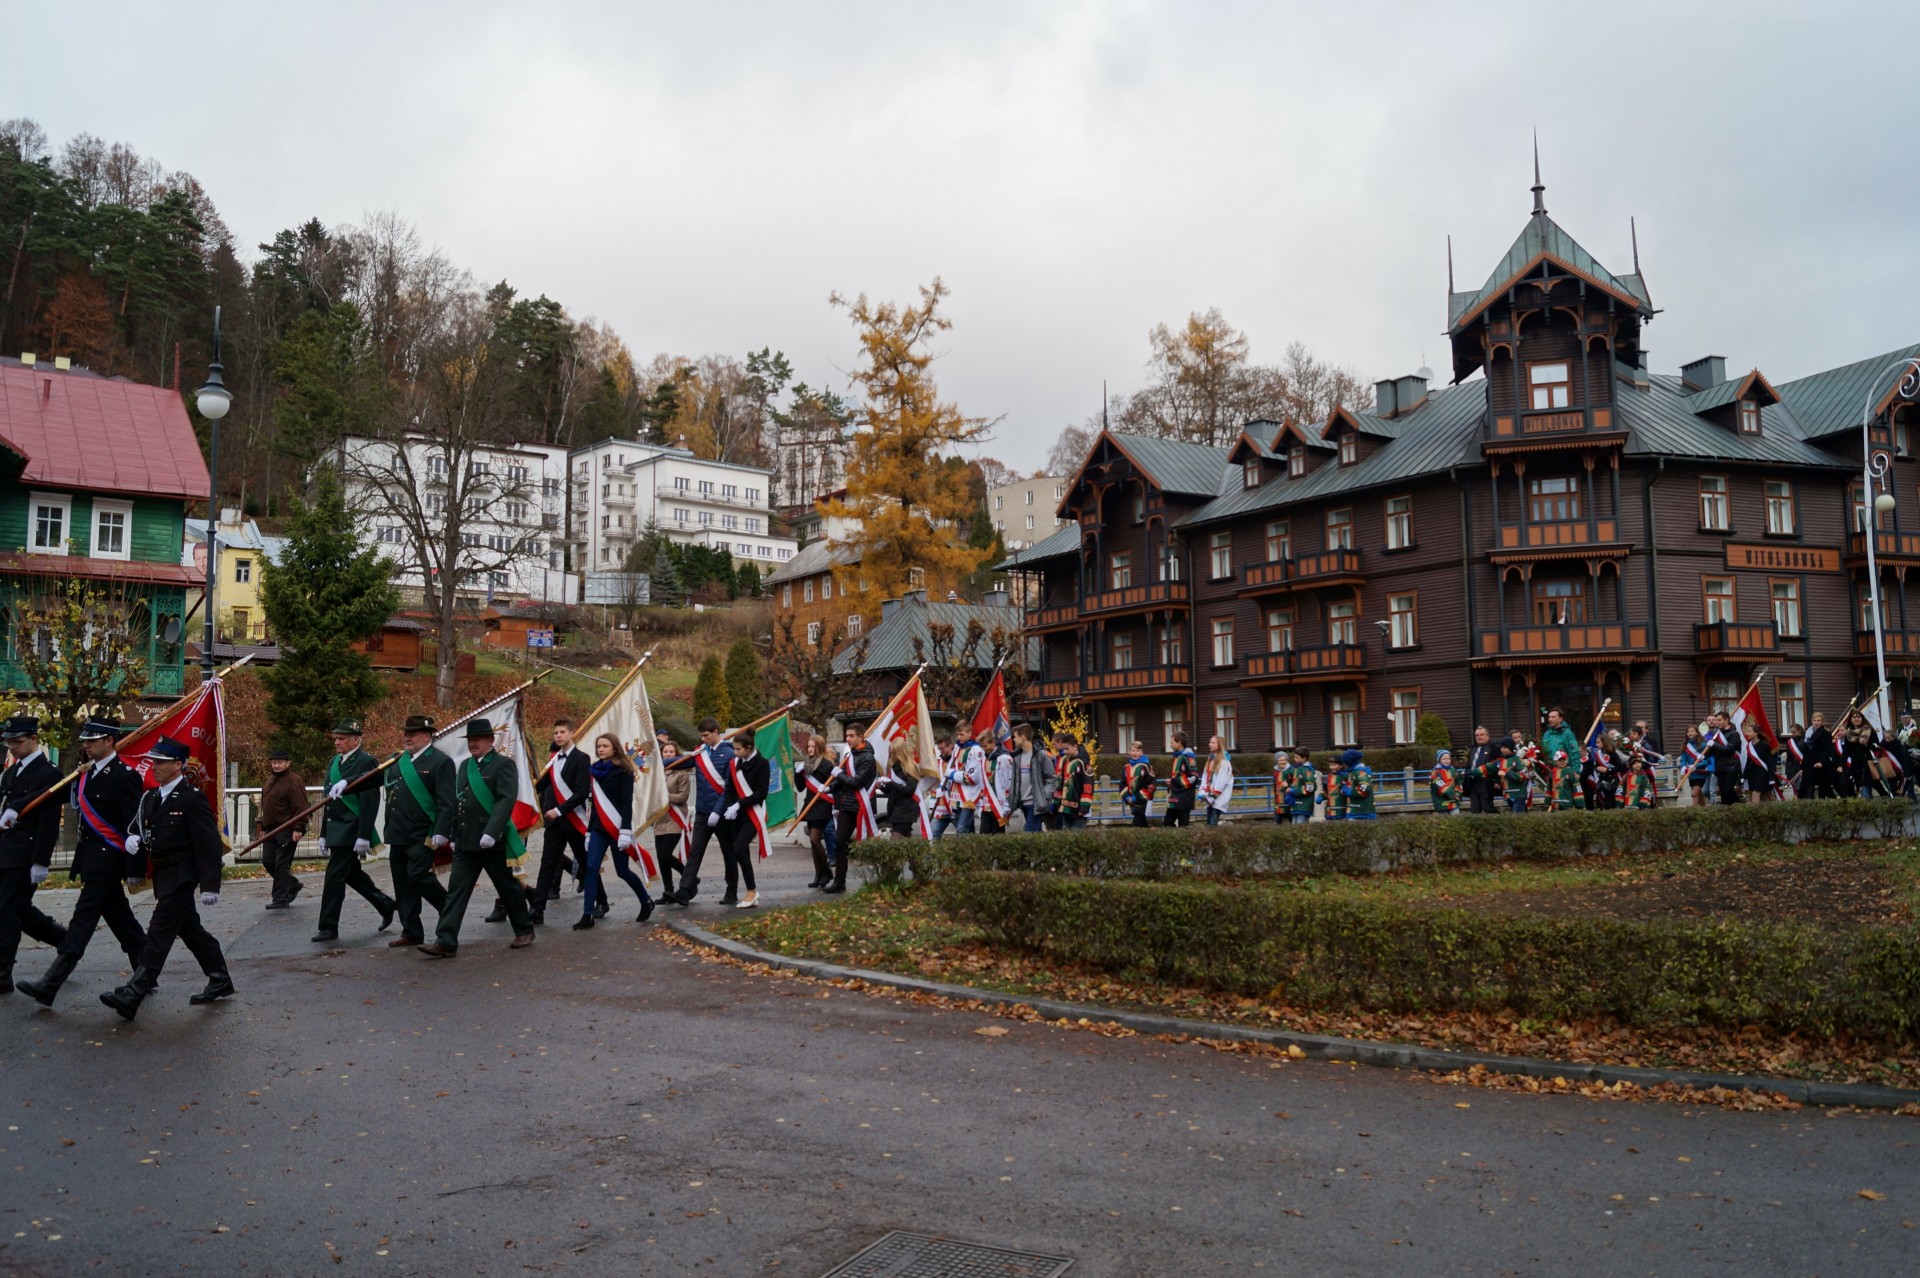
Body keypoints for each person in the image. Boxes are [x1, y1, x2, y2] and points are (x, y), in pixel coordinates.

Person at [99, 737, 232, 1019]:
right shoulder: (150, 798)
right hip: (163, 875)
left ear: (178, 765)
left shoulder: (191, 798)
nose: (155, 766)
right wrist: (134, 841)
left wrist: (210, 885)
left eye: (161, 762)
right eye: (153, 761)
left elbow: (208, 844)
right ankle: (219, 977)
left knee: (158, 933)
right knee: (190, 930)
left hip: (183, 875)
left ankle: (133, 993)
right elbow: (139, 828)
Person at [17, 719, 145, 1008]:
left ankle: (50, 984)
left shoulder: (124, 776)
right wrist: (17, 807)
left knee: (81, 922)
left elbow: (134, 825)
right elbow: (53, 796)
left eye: (93, 740)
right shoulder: (85, 773)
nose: (86, 744)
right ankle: (146, 974)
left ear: (109, 741)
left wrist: (135, 868)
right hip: (90, 860)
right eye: (85, 740)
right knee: (123, 923)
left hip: (108, 861)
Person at [419, 718, 535, 957]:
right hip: (466, 841)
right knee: (456, 891)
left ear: (491, 740)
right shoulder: (465, 767)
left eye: (478, 739)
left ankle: (524, 929)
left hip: (491, 842)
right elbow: (458, 801)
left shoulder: (503, 765)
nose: (473, 743)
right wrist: (452, 834)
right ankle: (446, 940)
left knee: (507, 887)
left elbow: (505, 800)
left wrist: (492, 832)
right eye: (470, 740)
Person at [312, 719, 396, 944]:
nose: (337, 742)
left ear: (356, 740)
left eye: (342, 739)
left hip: (351, 828)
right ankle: (385, 904)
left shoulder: (366, 761)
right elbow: (330, 800)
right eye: (336, 738)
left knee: (334, 876)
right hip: (336, 827)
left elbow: (369, 800)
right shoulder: (334, 762)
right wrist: (324, 832)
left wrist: (363, 835)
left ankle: (328, 926)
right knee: (351, 874)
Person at [0, 716, 68, 995]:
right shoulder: (10, 773)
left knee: (5, 911)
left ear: (33, 739)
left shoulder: (48, 774)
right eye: (9, 742)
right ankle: (64, 940)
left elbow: (49, 822)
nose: (12, 747)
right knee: (19, 909)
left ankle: (3, 973)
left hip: (25, 855)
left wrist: (41, 860)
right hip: (6, 851)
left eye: (17, 742)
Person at [381, 714, 455, 949]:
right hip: (398, 832)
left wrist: (442, 830)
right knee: (402, 883)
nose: (407, 738)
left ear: (427, 735)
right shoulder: (398, 760)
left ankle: (450, 910)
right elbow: (373, 779)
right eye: (406, 734)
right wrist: (347, 784)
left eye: (412, 734)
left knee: (418, 875)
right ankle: (411, 930)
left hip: (422, 832)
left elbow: (446, 801)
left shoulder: (440, 762)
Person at [575, 731, 653, 928]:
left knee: (622, 871)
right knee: (591, 869)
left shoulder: (624, 771)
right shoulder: (594, 771)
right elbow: (594, 805)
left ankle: (646, 900)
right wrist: (589, 831)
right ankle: (587, 914)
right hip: (598, 829)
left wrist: (625, 831)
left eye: (605, 746)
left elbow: (627, 804)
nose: (601, 749)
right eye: (598, 746)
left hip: (617, 828)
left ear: (615, 748)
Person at [666, 718, 735, 906]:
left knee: (728, 852)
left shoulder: (729, 754)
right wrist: (656, 763)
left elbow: (729, 789)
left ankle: (731, 890)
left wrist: (718, 811)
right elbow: (678, 762)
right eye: (701, 736)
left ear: (715, 732)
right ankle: (685, 890)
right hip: (703, 812)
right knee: (695, 852)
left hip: (722, 814)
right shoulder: (700, 753)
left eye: (706, 735)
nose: (703, 739)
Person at [534, 720, 592, 920]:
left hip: (573, 820)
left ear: (572, 733)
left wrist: (559, 810)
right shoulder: (553, 760)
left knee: (585, 863)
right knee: (547, 863)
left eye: (562, 732)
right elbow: (541, 785)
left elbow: (582, 792)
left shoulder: (582, 758)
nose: (558, 735)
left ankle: (601, 899)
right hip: (555, 823)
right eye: (556, 733)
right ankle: (537, 908)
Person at [825, 723, 876, 894]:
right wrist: (829, 787)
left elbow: (855, 782)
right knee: (840, 843)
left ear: (861, 737)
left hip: (862, 806)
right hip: (847, 805)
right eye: (847, 736)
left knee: (868, 845)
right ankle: (839, 882)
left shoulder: (868, 758)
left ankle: (879, 878)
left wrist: (838, 774)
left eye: (851, 736)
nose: (848, 739)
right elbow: (843, 780)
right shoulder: (849, 755)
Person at [720, 727, 767, 909]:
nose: (735, 752)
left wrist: (739, 804)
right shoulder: (735, 764)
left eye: (738, 749)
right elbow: (729, 789)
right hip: (736, 814)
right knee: (740, 851)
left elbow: (761, 793)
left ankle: (752, 890)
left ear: (748, 748)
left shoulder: (762, 764)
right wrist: (728, 808)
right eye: (734, 749)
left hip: (753, 813)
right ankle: (750, 891)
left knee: (739, 849)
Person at [258, 748, 309, 909]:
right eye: (274, 762)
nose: (276, 765)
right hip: (270, 830)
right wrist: (262, 825)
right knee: (268, 860)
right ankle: (292, 885)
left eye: (279, 762)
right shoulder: (270, 781)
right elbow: (265, 805)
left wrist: (298, 828)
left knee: (281, 864)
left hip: (287, 829)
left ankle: (280, 899)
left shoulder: (294, 781)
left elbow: (300, 807)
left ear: (288, 763)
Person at [795, 735, 836, 887]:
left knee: (814, 838)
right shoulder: (807, 764)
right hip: (811, 805)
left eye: (813, 746)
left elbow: (834, 785)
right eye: (809, 746)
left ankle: (826, 872)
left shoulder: (827, 765)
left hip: (823, 805)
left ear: (820, 747)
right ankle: (818, 874)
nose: (810, 749)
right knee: (814, 843)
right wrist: (798, 773)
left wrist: (827, 788)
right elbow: (800, 787)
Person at [654, 740, 693, 896]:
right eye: (665, 752)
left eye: (671, 752)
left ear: (676, 754)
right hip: (659, 818)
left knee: (665, 854)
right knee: (661, 858)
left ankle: (689, 876)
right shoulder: (657, 772)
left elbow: (683, 796)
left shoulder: (682, 773)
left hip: (675, 817)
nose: (668, 754)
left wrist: (665, 796)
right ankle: (668, 891)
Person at [1008, 724, 1055, 833]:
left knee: (1028, 833)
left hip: (1036, 803)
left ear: (1023, 737)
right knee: (1036, 833)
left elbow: (1051, 778)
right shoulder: (1017, 756)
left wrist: (1044, 796)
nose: (1013, 740)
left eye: (1015, 736)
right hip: (1023, 803)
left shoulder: (1041, 755)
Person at [947, 723, 986, 836]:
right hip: (957, 794)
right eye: (957, 734)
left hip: (969, 795)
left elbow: (972, 778)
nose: (958, 737)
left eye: (961, 734)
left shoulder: (976, 750)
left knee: (961, 828)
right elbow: (949, 768)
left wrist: (953, 775)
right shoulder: (957, 748)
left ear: (970, 733)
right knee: (968, 828)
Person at [1840, 707, 1888, 798]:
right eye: (1854, 717)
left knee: (1867, 785)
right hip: (1856, 765)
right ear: (1851, 720)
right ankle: (1885, 798)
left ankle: (1873, 802)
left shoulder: (1869, 730)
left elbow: (1877, 746)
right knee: (1868, 784)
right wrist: (1841, 765)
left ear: (1862, 718)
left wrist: (1867, 744)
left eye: (1859, 717)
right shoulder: (1848, 734)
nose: (1857, 719)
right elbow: (1846, 751)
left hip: (1868, 763)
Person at [1053, 734, 1092, 830]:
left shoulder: (1083, 762)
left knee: (1078, 836)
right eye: (1064, 749)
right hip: (1065, 808)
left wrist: (1084, 807)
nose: (1065, 752)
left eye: (1067, 749)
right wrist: (1057, 801)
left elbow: (1088, 785)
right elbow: (1060, 782)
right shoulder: (1064, 760)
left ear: (1075, 746)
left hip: (1078, 809)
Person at [1802, 712, 1843, 800]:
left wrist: (1821, 762)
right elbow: (1806, 750)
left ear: (1822, 722)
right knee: (1809, 787)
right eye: (1814, 720)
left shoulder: (1826, 734)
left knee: (1824, 787)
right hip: (1809, 763)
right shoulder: (1808, 733)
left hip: (1821, 763)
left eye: (1818, 721)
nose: (1816, 723)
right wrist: (1802, 765)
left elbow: (1827, 750)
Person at [1706, 713, 1744, 805]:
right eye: (1716, 720)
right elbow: (1714, 750)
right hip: (1720, 766)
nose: (1717, 722)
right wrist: (1704, 755)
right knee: (1723, 791)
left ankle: (1736, 805)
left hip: (1731, 765)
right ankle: (1728, 808)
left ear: (1726, 720)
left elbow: (1729, 750)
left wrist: (1714, 744)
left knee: (1728, 789)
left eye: (1719, 720)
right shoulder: (1717, 734)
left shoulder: (1734, 734)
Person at [981, 733, 1013, 835]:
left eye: (985, 746)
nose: (983, 749)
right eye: (982, 746)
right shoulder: (984, 759)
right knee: (983, 837)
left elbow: (1009, 782)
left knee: (998, 837)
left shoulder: (1004, 758)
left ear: (993, 743)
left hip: (999, 805)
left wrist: (1008, 805)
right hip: (986, 805)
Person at [881, 757, 922, 837]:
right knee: (904, 839)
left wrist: (891, 783)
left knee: (896, 839)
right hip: (894, 808)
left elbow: (909, 790)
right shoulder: (892, 768)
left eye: (893, 753)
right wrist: (882, 786)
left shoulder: (910, 768)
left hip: (906, 809)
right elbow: (891, 790)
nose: (890, 755)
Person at [1164, 732, 1198, 827]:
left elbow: (1193, 777)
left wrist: (1173, 781)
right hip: (1174, 797)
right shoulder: (1177, 757)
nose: (1170, 745)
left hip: (1184, 798)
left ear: (1179, 743)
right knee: (1167, 823)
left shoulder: (1189, 757)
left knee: (1183, 825)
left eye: (1172, 742)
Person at [1200, 735, 1234, 826]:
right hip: (1210, 795)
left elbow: (1222, 780)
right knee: (1209, 822)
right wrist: (1203, 790)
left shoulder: (1224, 762)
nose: (1209, 744)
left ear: (1219, 746)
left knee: (1212, 823)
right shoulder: (1210, 760)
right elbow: (1205, 776)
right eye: (1210, 742)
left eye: (1213, 743)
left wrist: (1214, 793)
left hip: (1218, 796)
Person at [1464, 726, 1498, 814]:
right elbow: (1469, 764)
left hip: (1486, 782)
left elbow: (1497, 765)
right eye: (1477, 735)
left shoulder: (1494, 748)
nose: (1479, 737)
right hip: (1473, 783)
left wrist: (1496, 781)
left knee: (1487, 807)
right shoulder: (1473, 749)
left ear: (1487, 736)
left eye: (1481, 735)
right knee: (1474, 809)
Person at [1741, 723, 1778, 803]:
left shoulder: (1764, 745)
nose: (1747, 733)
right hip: (1752, 774)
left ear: (1756, 733)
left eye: (1749, 731)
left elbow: (1770, 762)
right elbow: (1748, 762)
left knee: (1756, 793)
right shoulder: (1749, 746)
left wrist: (1771, 777)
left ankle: (1755, 810)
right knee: (1766, 795)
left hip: (1762, 773)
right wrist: (1744, 776)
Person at [1281, 747, 1318, 824]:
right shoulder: (1296, 768)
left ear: (1304, 758)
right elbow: (1287, 774)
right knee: (1294, 825)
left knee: (1300, 825)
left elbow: (1310, 788)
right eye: (1294, 757)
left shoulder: (1307, 770)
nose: (1294, 759)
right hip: (1296, 803)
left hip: (1304, 804)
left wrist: (1293, 790)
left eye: (1297, 757)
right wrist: (1286, 781)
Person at [1122, 741, 1155, 827]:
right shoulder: (1126, 767)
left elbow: (1151, 785)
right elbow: (1123, 784)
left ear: (1141, 752)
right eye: (1133, 751)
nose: (1135, 753)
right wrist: (1126, 797)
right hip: (1131, 799)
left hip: (1143, 799)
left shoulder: (1146, 766)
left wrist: (1137, 798)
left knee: (1136, 822)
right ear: (1129, 752)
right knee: (1142, 822)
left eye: (1137, 751)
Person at [1538, 708, 1580, 773]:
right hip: (1549, 771)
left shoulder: (1568, 734)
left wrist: (1576, 772)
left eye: (1553, 717)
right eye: (1549, 717)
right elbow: (1542, 752)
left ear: (1560, 719)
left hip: (1564, 771)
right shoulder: (1546, 734)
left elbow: (1574, 753)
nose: (1550, 719)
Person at [1340, 749, 1376, 819]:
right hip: (1354, 810)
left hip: (1363, 811)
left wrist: (1349, 791)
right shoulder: (1352, 772)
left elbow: (1365, 789)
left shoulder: (1361, 773)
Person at [1429, 748, 1460, 814]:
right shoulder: (1435, 771)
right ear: (1439, 760)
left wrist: (1458, 793)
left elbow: (1458, 782)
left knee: (1456, 817)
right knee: (1444, 818)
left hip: (1453, 801)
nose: (1447, 761)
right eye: (1444, 759)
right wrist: (1452, 794)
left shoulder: (1453, 770)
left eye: (1448, 758)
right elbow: (1439, 785)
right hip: (1441, 801)